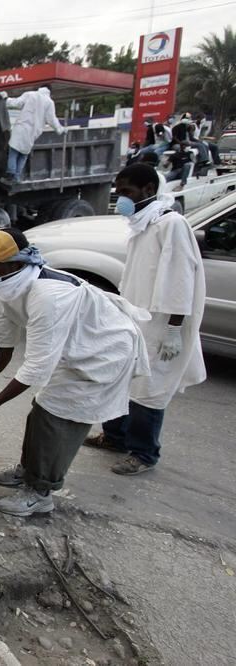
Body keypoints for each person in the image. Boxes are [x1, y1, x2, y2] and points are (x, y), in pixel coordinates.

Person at [0, 228, 148, 516]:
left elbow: (36, 367)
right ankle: (29, 470)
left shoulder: (49, 296)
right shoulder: (3, 287)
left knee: (57, 417)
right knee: (41, 410)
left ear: (18, 263)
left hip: (103, 352)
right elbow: (3, 346)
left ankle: (41, 492)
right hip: (71, 351)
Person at [84, 163, 207, 475]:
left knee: (149, 390)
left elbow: (181, 280)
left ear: (148, 190)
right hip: (135, 320)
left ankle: (144, 453)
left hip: (160, 325)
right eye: (118, 191)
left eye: (126, 191)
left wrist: (174, 330)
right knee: (120, 378)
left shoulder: (171, 224)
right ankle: (115, 437)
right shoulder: (143, 224)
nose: (121, 198)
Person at [2, 86, 65, 183]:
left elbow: (16, 103)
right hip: (33, 132)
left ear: (40, 88)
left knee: (13, 152)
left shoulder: (30, 94)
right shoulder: (49, 102)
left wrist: (6, 98)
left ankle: (10, 175)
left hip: (21, 128)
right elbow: (52, 119)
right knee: (23, 155)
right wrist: (60, 129)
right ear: (49, 92)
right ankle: (17, 177)